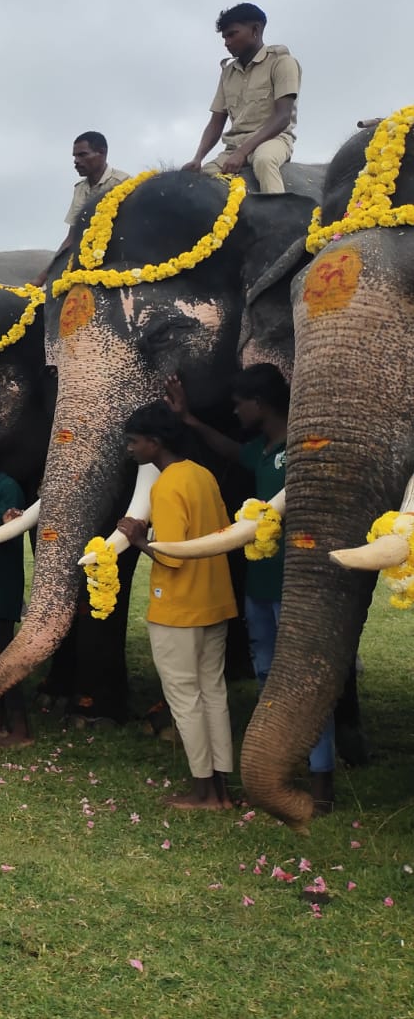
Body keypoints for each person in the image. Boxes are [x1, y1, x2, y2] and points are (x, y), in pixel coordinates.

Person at [167, 365, 336, 810]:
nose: (236, 411)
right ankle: (282, 760)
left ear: (259, 404)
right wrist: (189, 421)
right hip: (260, 583)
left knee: (302, 678)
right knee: (267, 672)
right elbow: (233, 450)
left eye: (240, 404)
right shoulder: (262, 452)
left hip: (296, 585)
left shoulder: (302, 450)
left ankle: (321, 783)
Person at [115, 402, 239, 810]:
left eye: (134, 442)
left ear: (156, 442)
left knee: (185, 698)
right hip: (215, 603)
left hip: (178, 610)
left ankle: (203, 790)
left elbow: (171, 555)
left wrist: (137, 540)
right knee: (213, 693)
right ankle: (221, 787)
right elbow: (219, 535)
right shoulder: (202, 475)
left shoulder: (166, 486)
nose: (131, 449)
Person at [183, 2, 300, 194]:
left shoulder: (282, 62)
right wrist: (198, 158)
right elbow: (216, 122)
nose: (227, 43)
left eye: (232, 34)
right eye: (224, 37)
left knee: (264, 162)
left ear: (255, 30)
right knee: (204, 179)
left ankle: (279, 220)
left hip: (272, 141)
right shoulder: (228, 72)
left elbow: (282, 117)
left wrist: (242, 152)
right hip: (233, 147)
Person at [0, 464, 31, 744]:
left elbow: (10, 528)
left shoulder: (8, 487)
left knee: (3, 654)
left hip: (3, 584)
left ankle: (20, 726)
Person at [57, 132, 133, 255]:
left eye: (82, 155)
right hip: (85, 252)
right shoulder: (80, 188)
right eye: (75, 156)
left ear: (102, 153)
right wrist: (48, 271)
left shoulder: (124, 183)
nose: (76, 161)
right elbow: (72, 237)